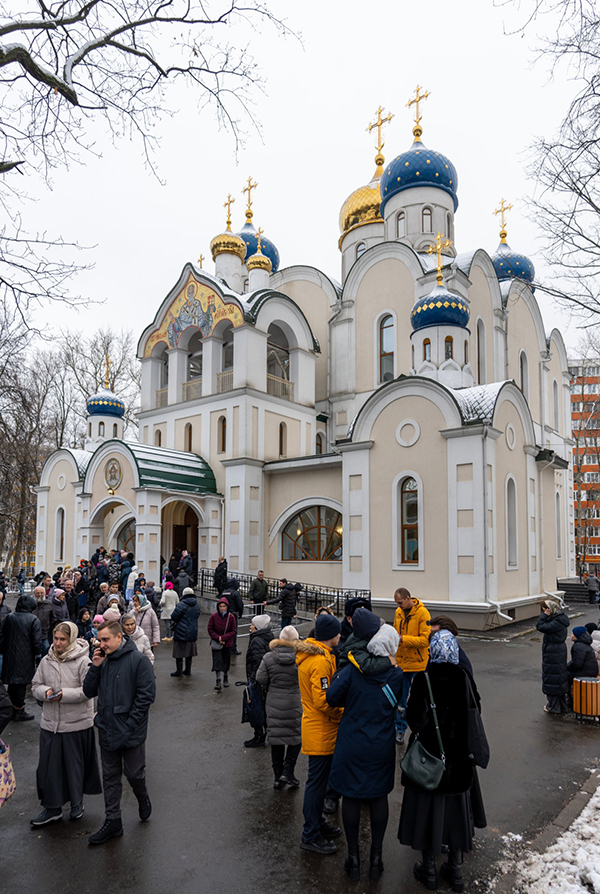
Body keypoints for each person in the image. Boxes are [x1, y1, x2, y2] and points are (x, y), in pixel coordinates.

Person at [398, 629, 486, 893]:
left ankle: (428, 870)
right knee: (457, 815)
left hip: (429, 762)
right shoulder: (464, 678)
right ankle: (455, 870)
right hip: (459, 763)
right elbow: (475, 713)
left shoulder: (424, 679)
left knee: (426, 815)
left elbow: (414, 719)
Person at [327, 622, 403, 881]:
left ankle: (354, 858)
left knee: (351, 796)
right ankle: (376, 858)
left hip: (352, 741)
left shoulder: (352, 671)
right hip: (381, 742)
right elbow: (399, 703)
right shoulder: (396, 673)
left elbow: (332, 698)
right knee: (378, 796)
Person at [83, 619, 156, 844]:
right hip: (107, 729)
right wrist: (94, 667)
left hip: (131, 731)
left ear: (118, 637)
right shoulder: (101, 661)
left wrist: (130, 724)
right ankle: (113, 821)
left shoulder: (139, 661)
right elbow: (88, 691)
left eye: (106, 640)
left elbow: (146, 697)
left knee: (134, 774)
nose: (101, 644)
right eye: (100, 639)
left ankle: (142, 797)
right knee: (111, 778)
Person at [30, 621, 102, 826]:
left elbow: (88, 691)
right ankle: (52, 809)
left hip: (76, 725)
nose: (58, 643)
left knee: (74, 768)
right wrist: (45, 692)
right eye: (56, 638)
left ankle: (77, 803)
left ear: (71, 639)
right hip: (50, 725)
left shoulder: (83, 662)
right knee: (49, 768)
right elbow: (35, 685)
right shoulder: (46, 660)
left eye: (62, 639)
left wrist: (63, 695)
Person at [296, 612, 344, 855]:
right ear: (328, 636)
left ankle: (317, 824)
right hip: (321, 728)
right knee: (316, 785)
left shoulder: (316, 655)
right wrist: (343, 714)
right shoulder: (321, 661)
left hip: (317, 726)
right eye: (337, 632)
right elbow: (324, 701)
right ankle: (310, 834)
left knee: (319, 782)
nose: (339, 635)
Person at [256, 625, 302, 789]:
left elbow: (260, 678)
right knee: (296, 738)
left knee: (276, 739)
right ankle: (288, 771)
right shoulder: (300, 657)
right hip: (295, 701)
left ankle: (277, 777)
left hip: (274, 701)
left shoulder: (269, 657)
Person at [393, 587, 431, 746]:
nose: (399, 606)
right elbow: (395, 635)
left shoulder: (423, 613)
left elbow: (425, 640)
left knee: (420, 701)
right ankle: (400, 730)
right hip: (402, 664)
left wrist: (403, 639)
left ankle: (421, 730)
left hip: (418, 665)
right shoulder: (398, 613)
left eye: (401, 602)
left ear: (408, 598)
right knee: (400, 701)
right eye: (397, 603)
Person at [0, 593, 42, 722]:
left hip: (10, 655)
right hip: (25, 656)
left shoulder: (9, 617)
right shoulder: (33, 619)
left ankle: (12, 708)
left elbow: (1, 635)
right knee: (21, 684)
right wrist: (38, 655)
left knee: (13, 683)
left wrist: (3, 650)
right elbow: (36, 641)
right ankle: (19, 710)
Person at [243, 614, 274, 748]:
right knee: (263, 706)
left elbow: (257, 661)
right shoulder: (268, 637)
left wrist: (252, 679)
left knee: (255, 707)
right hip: (265, 679)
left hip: (257, 679)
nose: (250, 626)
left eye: (252, 625)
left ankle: (259, 736)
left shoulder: (257, 641)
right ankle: (265, 734)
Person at [535, 601, 570, 714]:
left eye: (546, 609)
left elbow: (540, 626)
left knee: (553, 678)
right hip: (556, 651)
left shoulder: (556, 622)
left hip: (553, 652)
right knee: (558, 678)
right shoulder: (559, 619)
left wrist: (544, 616)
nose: (545, 611)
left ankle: (554, 707)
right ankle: (561, 706)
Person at [207, 596, 237, 691]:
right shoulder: (214, 616)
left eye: (224, 606)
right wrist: (218, 638)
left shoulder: (231, 617)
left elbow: (233, 630)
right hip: (216, 643)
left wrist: (223, 638)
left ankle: (225, 677)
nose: (222, 608)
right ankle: (218, 680)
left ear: (227, 607)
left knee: (226, 661)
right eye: (221, 606)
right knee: (217, 661)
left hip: (227, 643)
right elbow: (210, 629)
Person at [170, 587, 200, 677]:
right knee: (189, 652)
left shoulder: (181, 604)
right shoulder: (196, 604)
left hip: (181, 631)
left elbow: (174, 617)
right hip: (192, 631)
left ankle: (179, 671)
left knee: (179, 652)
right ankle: (188, 670)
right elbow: (197, 615)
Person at [222, 578, 244, 654]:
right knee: (233, 632)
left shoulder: (224, 592)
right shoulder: (235, 593)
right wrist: (240, 614)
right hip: (232, 614)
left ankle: (225, 646)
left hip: (224, 614)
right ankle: (233, 648)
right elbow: (240, 605)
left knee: (225, 631)